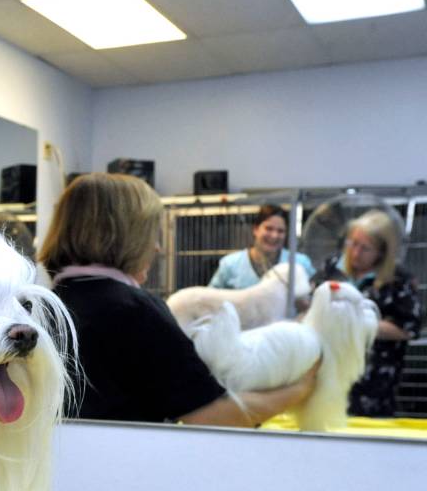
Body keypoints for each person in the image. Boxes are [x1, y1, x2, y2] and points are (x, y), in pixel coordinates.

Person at [39, 173, 317, 426]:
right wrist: (300, 390)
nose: (157, 247)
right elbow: (215, 416)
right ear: (125, 236)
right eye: (151, 233)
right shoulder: (136, 311)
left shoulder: (41, 306)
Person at [312, 209, 422, 417]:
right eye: (352, 244)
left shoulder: (398, 280)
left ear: (381, 252)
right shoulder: (332, 269)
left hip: (372, 384)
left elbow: (409, 328)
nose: (355, 253)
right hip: (327, 374)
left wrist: (360, 324)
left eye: (365, 248)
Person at [209, 204, 315, 289]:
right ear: (255, 229)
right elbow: (210, 300)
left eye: (281, 231)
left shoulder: (300, 263)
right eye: (268, 228)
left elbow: (314, 294)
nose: (274, 236)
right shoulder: (230, 265)